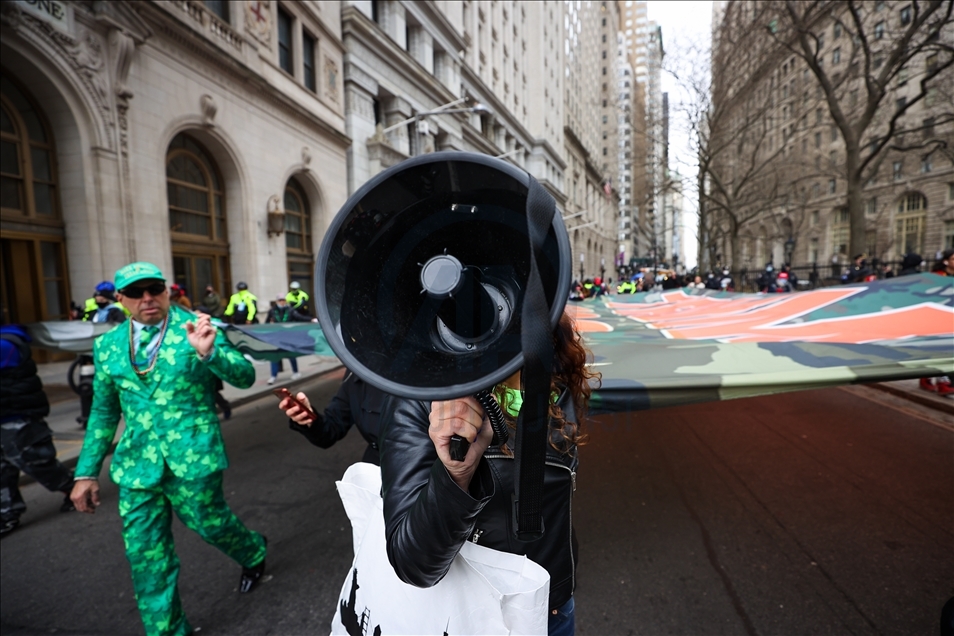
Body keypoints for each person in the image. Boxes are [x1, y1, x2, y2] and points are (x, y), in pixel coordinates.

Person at [70, 261, 267, 636]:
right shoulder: (108, 346)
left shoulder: (196, 326)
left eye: (155, 289)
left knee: (211, 525)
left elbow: (245, 376)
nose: (147, 299)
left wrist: (210, 354)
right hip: (137, 467)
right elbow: (103, 412)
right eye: (136, 293)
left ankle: (253, 551)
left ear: (166, 291)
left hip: (193, 455)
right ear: (120, 299)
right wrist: (85, 472)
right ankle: (168, 631)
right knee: (146, 556)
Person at [379, 311, 596, 635]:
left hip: (553, 609)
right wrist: (457, 471)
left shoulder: (555, 378)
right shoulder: (423, 399)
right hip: (477, 617)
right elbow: (413, 563)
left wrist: (558, 587)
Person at [1, 325, 76, 536]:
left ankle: (73, 489)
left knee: (36, 462)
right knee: (3, 469)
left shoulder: (6, 344)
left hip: (16, 418)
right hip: (7, 415)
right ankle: (7, 513)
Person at [278, 371, 387, 465]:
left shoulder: (402, 371)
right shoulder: (357, 370)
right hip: (376, 471)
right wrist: (309, 419)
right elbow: (332, 427)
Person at [920, 249, 954, 396]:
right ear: (946, 261)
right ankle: (935, 379)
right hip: (938, 318)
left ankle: (944, 381)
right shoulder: (937, 276)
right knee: (938, 350)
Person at [265, 295, 311, 384]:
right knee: (274, 356)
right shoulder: (272, 311)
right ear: (277, 301)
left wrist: (311, 319)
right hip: (276, 337)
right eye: (280, 300)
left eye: (283, 300)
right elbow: (266, 323)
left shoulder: (290, 310)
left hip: (288, 337)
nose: (282, 302)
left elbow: (299, 317)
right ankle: (273, 376)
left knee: (291, 354)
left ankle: (296, 372)